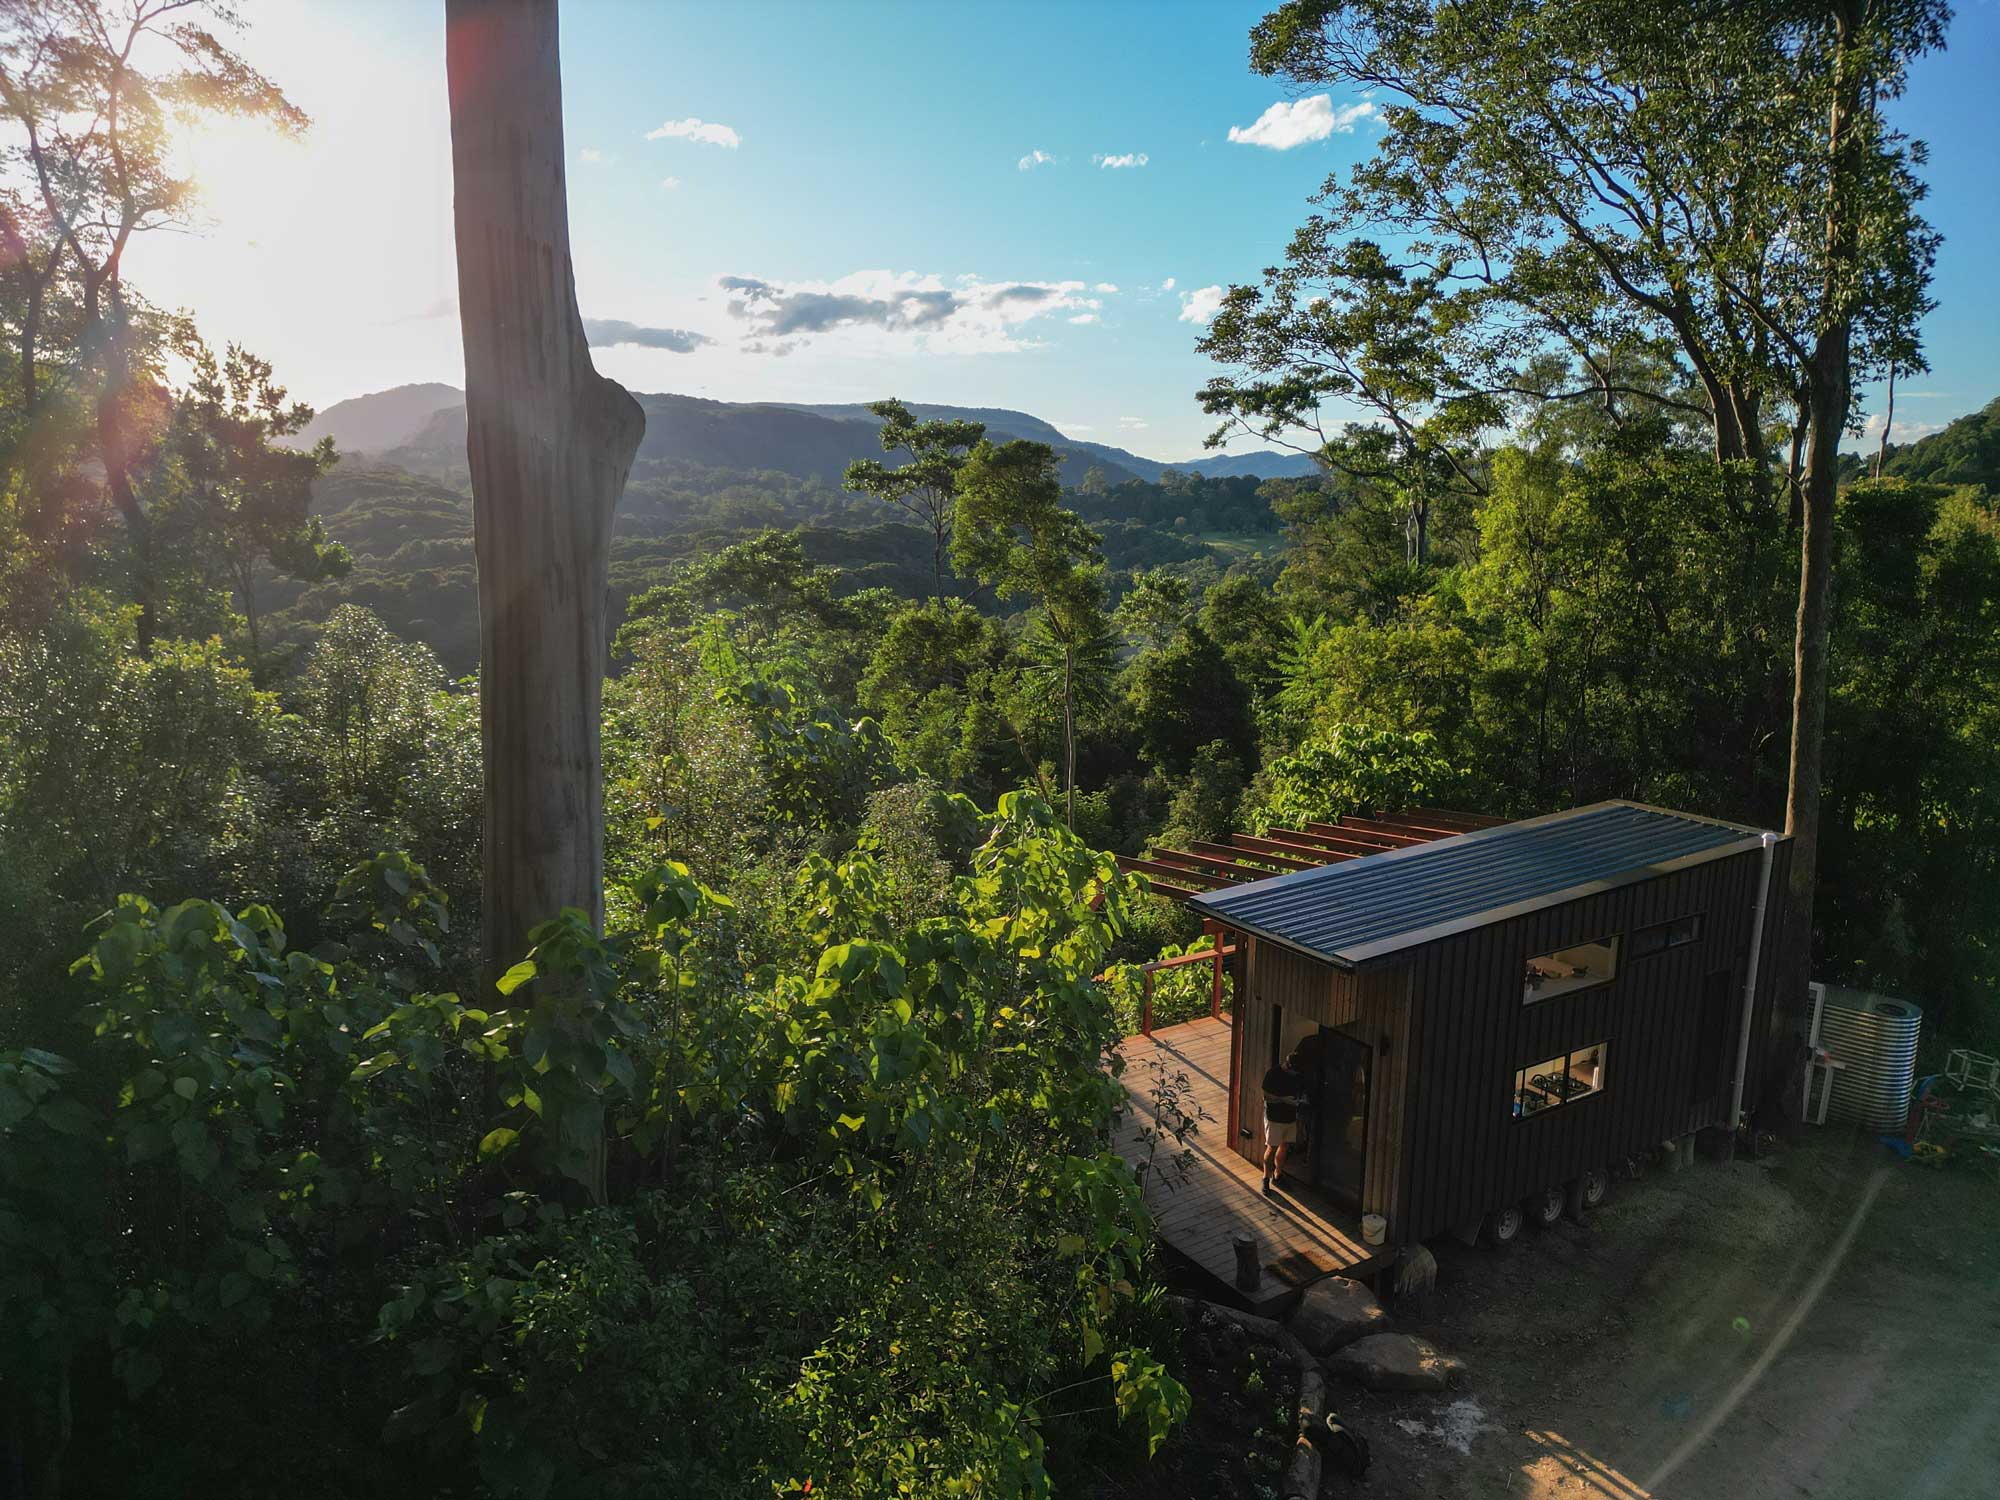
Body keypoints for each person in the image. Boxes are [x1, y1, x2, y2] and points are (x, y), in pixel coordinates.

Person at [1261, 1048, 1307, 1194]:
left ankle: (1278, 1174)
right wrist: (1284, 1100)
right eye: (1295, 1071)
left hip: (1290, 1118)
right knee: (1272, 1148)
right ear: (1288, 1066)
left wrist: (1301, 1100)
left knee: (1285, 1146)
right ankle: (1266, 1178)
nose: (1296, 1074)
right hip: (1274, 1118)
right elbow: (1266, 1097)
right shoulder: (1273, 1074)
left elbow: (1300, 1091)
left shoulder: (1297, 1076)